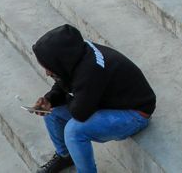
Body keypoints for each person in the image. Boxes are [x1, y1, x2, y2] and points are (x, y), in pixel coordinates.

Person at [30, 24, 155, 173]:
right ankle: (65, 156)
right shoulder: (77, 54)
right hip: (109, 103)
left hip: (134, 114)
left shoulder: (91, 70)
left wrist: (62, 98)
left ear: (60, 60)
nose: (47, 73)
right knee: (53, 110)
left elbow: (80, 113)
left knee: (74, 131)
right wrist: (49, 100)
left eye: (48, 67)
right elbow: (66, 83)